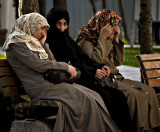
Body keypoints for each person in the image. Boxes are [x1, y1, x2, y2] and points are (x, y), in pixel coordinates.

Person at [2, 12, 121, 132]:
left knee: (93, 96)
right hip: (40, 88)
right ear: (31, 25)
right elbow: (38, 64)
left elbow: (51, 61)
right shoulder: (17, 43)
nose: (44, 33)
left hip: (51, 83)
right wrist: (66, 67)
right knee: (85, 99)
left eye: (45, 29)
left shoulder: (31, 42)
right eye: (41, 28)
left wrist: (43, 45)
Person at [46, 7, 134, 132]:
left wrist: (99, 67)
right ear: (51, 23)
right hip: (75, 81)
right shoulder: (51, 43)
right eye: (58, 24)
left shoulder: (67, 40)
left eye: (65, 24)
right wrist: (92, 72)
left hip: (85, 78)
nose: (62, 28)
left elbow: (83, 59)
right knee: (106, 96)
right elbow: (67, 66)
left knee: (117, 96)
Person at [76, 9, 160, 131]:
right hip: (104, 80)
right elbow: (94, 61)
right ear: (102, 24)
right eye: (112, 25)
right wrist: (103, 38)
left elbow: (117, 61)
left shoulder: (105, 39)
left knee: (149, 91)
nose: (115, 28)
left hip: (117, 78)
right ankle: (140, 128)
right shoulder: (86, 40)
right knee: (134, 95)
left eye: (116, 25)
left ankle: (154, 127)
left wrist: (115, 40)